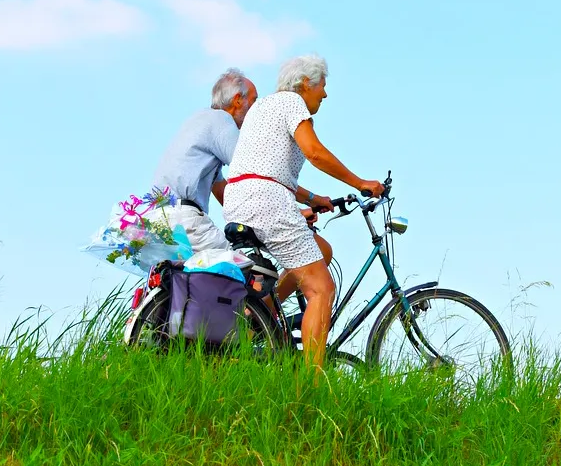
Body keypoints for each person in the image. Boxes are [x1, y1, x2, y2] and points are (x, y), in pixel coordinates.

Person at [222, 54, 385, 368]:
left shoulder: (263, 108)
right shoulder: (292, 102)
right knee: (321, 289)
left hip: (241, 199)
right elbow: (315, 152)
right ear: (306, 83)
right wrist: (360, 182)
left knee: (320, 250)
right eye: (322, 86)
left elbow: (264, 168)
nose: (324, 94)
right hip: (266, 201)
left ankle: (263, 314)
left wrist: (311, 198)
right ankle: (310, 386)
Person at [150, 68, 258, 252]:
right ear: (238, 99)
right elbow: (254, 171)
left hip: (158, 219)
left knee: (189, 278)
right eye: (254, 101)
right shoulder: (222, 120)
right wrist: (292, 210)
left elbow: (220, 189)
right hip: (184, 219)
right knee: (243, 270)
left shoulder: (200, 119)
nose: (256, 110)